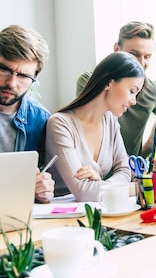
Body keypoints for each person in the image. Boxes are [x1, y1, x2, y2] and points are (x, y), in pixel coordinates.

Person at [0, 25, 54, 203]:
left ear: (35, 76)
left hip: (8, 214)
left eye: (23, 76)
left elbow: (41, 181)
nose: (12, 83)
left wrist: (43, 188)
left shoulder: (40, 120)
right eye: (4, 70)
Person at [45, 52, 143, 201]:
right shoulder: (60, 124)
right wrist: (143, 187)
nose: (133, 101)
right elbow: (83, 192)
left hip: (95, 209)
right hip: (60, 215)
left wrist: (103, 185)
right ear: (109, 83)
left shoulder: (110, 121)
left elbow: (124, 170)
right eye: (132, 91)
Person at [76, 21, 156, 156]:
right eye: (134, 54)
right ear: (116, 49)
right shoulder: (89, 81)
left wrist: (149, 146)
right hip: (98, 171)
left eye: (147, 57)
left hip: (131, 171)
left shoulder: (151, 89)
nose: (141, 63)